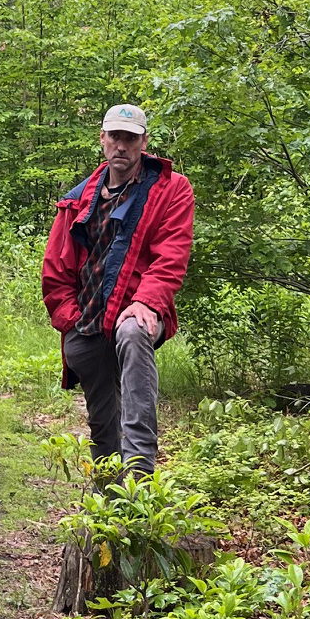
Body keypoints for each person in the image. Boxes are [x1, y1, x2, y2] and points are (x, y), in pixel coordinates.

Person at [40, 103, 194, 477]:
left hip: (137, 310)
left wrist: (147, 302)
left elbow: (172, 254)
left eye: (130, 138)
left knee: (132, 331)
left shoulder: (171, 189)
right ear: (103, 139)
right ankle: (109, 512)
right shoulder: (78, 199)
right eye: (115, 137)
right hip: (88, 320)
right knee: (102, 426)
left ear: (144, 141)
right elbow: (55, 268)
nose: (122, 146)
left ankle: (140, 471)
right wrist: (69, 320)